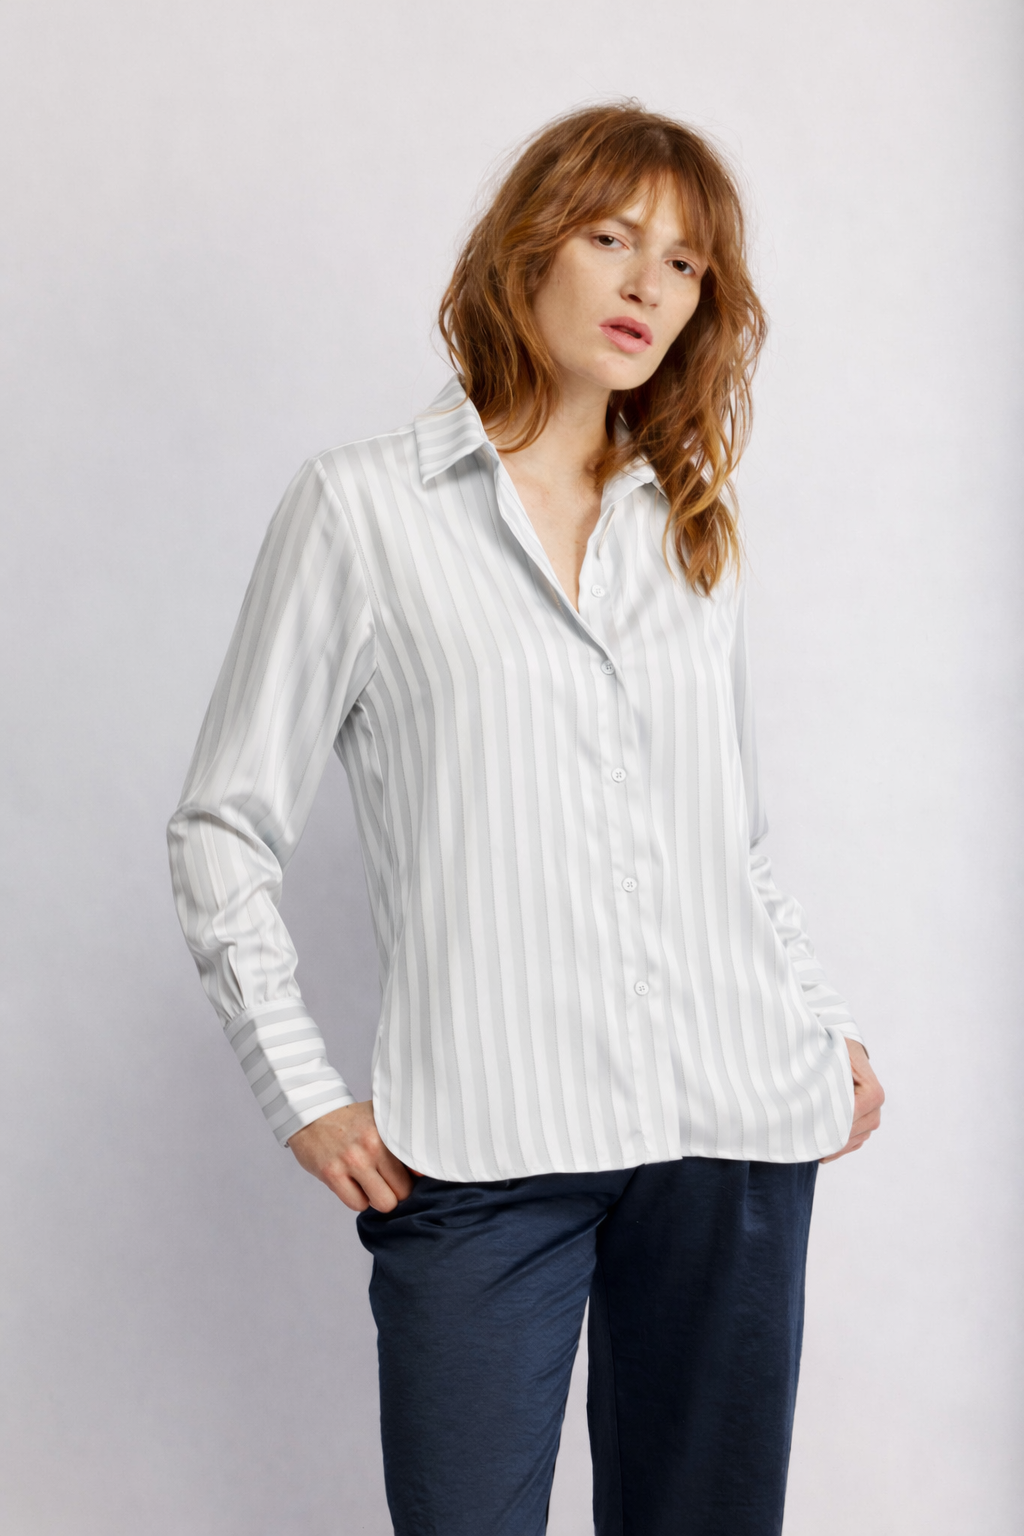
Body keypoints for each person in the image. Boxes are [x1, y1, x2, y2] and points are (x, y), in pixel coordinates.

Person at [167, 102, 884, 1536]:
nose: (646, 287)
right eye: (613, 238)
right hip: (485, 1145)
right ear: (529, 249)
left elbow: (728, 841)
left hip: (732, 1129)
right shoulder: (362, 511)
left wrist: (817, 1024)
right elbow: (221, 827)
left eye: (683, 265)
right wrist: (299, 1086)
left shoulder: (690, 530)